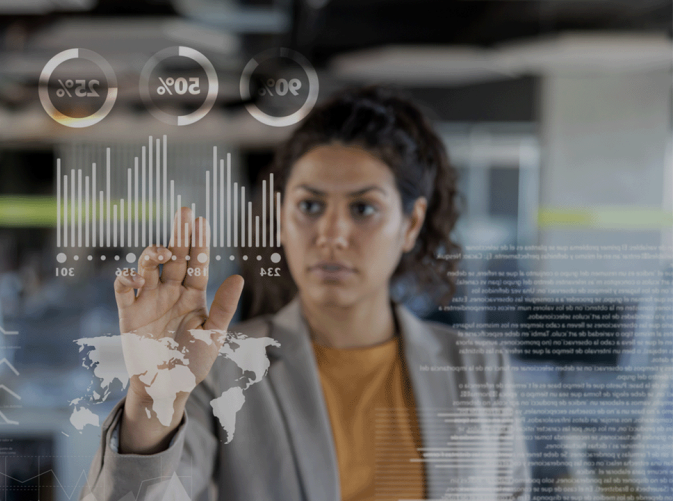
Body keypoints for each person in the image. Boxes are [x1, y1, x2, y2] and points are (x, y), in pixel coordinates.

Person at [80, 86, 530, 501]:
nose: (332, 234)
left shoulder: (477, 371)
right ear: (280, 216)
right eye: (310, 206)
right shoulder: (218, 371)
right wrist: (154, 398)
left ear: (410, 224)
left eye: (363, 208)